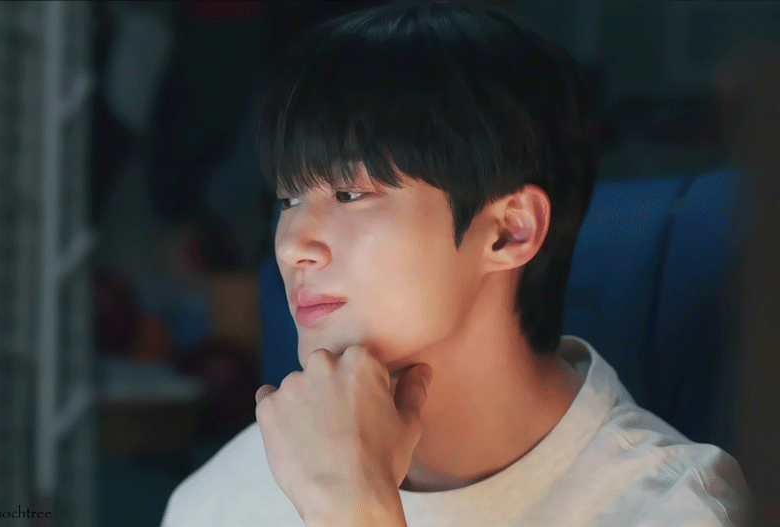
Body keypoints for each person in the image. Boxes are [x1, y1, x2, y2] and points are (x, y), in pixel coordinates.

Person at [160, 2, 750, 525]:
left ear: (511, 229)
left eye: (349, 193)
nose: (292, 245)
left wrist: (352, 511)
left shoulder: (677, 509)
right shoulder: (215, 502)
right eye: (289, 199)